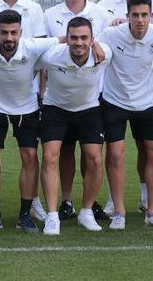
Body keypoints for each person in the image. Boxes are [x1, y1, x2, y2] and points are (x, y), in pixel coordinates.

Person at [0, 9, 59, 233]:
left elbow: (64, 40)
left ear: (21, 32)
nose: (9, 38)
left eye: (13, 33)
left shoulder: (33, 46)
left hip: (26, 109)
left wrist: (94, 46)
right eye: (4, 32)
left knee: (29, 156)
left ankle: (25, 214)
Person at [43, 0, 110, 223]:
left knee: (92, 154)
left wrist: (97, 45)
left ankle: (88, 207)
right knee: (63, 151)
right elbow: (42, 52)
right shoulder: (50, 15)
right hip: (57, 96)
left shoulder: (100, 14)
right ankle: (65, 202)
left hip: (90, 97)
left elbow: (107, 46)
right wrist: (42, 91)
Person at [98, 0, 153, 230]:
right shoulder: (111, 33)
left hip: (146, 101)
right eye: (135, 15)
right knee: (116, 153)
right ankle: (119, 211)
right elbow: (96, 50)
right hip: (114, 101)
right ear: (127, 16)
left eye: (144, 15)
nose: (140, 20)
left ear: (151, 16)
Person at [37, 17, 112, 236]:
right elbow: (30, 58)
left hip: (88, 109)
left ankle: (86, 211)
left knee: (95, 159)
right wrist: (41, 90)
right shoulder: (52, 55)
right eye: (74, 38)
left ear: (92, 39)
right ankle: (52, 216)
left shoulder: (103, 54)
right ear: (66, 39)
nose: (79, 42)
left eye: (84, 38)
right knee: (50, 155)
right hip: (56, 108)